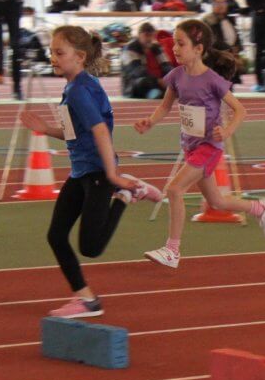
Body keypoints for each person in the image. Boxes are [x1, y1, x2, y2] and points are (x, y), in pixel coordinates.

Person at [20, 26, 162, 318]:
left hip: (98, 173)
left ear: (80, 56)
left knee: (91, 247)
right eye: (51, 52)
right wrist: (45, 129)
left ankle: (124, 194)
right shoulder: (73, 87)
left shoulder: (81, 91)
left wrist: (112, 175)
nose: (53, 58)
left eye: (60, 53)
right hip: (81, 172)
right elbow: (76, 132)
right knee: (56, 236)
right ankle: (86, 299)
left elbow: (100, 131)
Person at [135, 20, 265, 269]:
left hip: (209, 147)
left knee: (175, 189)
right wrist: (151, 122)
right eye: (173, 44)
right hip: (191, 145)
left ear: (199, 49)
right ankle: (260, 208)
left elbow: (240, 110)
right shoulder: (177, 75)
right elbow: (165, 106)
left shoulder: (212, 80)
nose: (175, 49)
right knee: (217, 202)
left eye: (181, 44)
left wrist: (227, 130)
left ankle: (172, 250)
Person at [121, 22, 172, 99]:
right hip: (137, 85)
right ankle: (156, 93)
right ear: (139, 35)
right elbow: (137, 71)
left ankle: (160, 92)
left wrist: (170, 78)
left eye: (152, 36)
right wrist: (157, 81)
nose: (149, 39)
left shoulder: (157, 48)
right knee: (143, 82)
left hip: (159, 82)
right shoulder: (130, 48)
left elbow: (167, 65)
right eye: (146, 35)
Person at [203, 0, 242, 84]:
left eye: (223, 2)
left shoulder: (230, 19)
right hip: (216, 57)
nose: (221, 5)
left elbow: (237, 37)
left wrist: (237, 48)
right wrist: (230, 50)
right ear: (212, 6)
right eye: (217, 3)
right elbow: (213, 40)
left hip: (230, 55)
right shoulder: (208, 20)